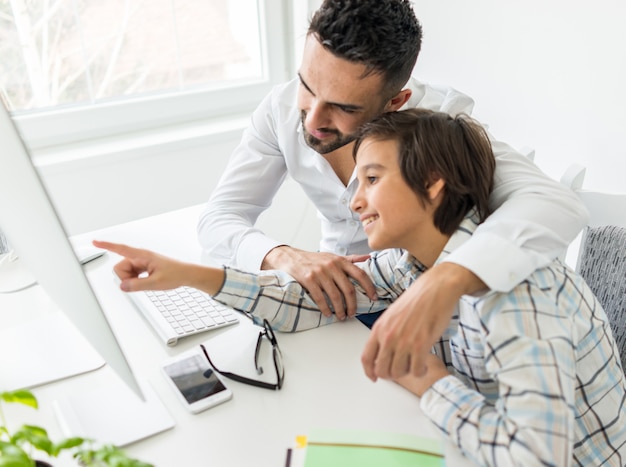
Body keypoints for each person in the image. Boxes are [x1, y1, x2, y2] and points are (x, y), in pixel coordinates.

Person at [95, 108, 625, 465]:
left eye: (372, 179)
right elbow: (313, 301)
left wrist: (431, 385)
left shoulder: (515, 295)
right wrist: (188, 275)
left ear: (433, 182)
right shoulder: (408, 263)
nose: (354, 202)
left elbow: (535, 459)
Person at [198, 0, 588, 381]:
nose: (313, 119)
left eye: (343, 107)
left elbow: (554, 202)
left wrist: (448, 278)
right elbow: (219, 218)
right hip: (337, 298)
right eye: (306, 85)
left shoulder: (440, 123)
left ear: (395, 102)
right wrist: (279, 254)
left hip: (424, 314)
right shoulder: (279, 110)